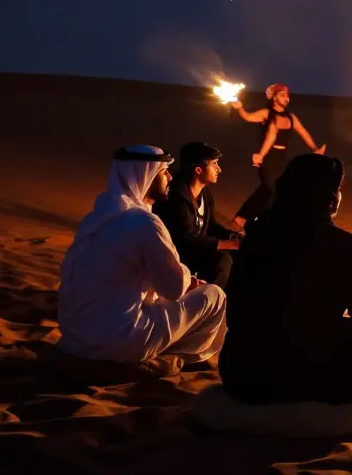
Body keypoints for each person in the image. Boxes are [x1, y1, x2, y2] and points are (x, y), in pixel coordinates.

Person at [219, 154, 352, 405]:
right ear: (328, 198)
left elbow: (236, 306)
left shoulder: (257, 233)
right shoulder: (343, 244)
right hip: (303, 377)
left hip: (241, 373)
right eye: (337, 190)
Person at [57, 145, 227, 367]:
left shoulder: (98, 217)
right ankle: (181, 357)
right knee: (214, 296)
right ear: (146, 176)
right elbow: (174, 288)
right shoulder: (145, 222)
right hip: (117, 341)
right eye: (163, 171)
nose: (169, 177)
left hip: (75, 338)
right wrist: (189, 280)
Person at [230, 83, 326, 229]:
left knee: (268, 190)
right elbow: (248, 117)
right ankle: (259, 220)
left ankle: (241, 217)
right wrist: (239, 108)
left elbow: (303, 133)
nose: (286, 98)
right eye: (282, 94)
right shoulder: (266, 113)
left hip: (281, 158)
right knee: (272, 190)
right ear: (273, 98)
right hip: (267, 157)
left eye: (287, 95)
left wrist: (315, 149)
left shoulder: (291, 117)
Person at [153, 142, 240, 288]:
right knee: (222, 260)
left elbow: (210, 225)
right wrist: (227, 245)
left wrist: (232, 236)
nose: (219, 169)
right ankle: (203, 299)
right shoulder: (176, 197)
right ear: (198, 170)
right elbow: (185, 238)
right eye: (214, 164)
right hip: (177, 256)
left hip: (196, 250)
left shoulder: (204, 193)